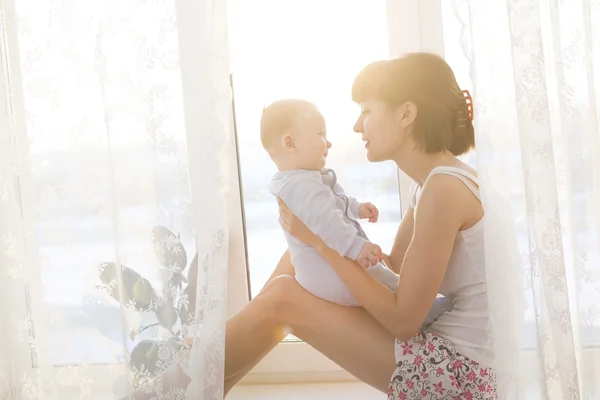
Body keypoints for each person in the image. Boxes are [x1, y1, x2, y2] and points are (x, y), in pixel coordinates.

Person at [225, 52, 496, 399]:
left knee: (283, 296)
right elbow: (397, 269)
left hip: (458, 374)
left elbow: (403, 321)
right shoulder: (432, 183)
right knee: (294, 260)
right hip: (444, 352)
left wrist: (322, 241)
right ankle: (204, 382)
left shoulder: (443, 189)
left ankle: (186, 378)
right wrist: (319, 240)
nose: (356, 126)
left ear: (407, 114)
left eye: (366, 111)